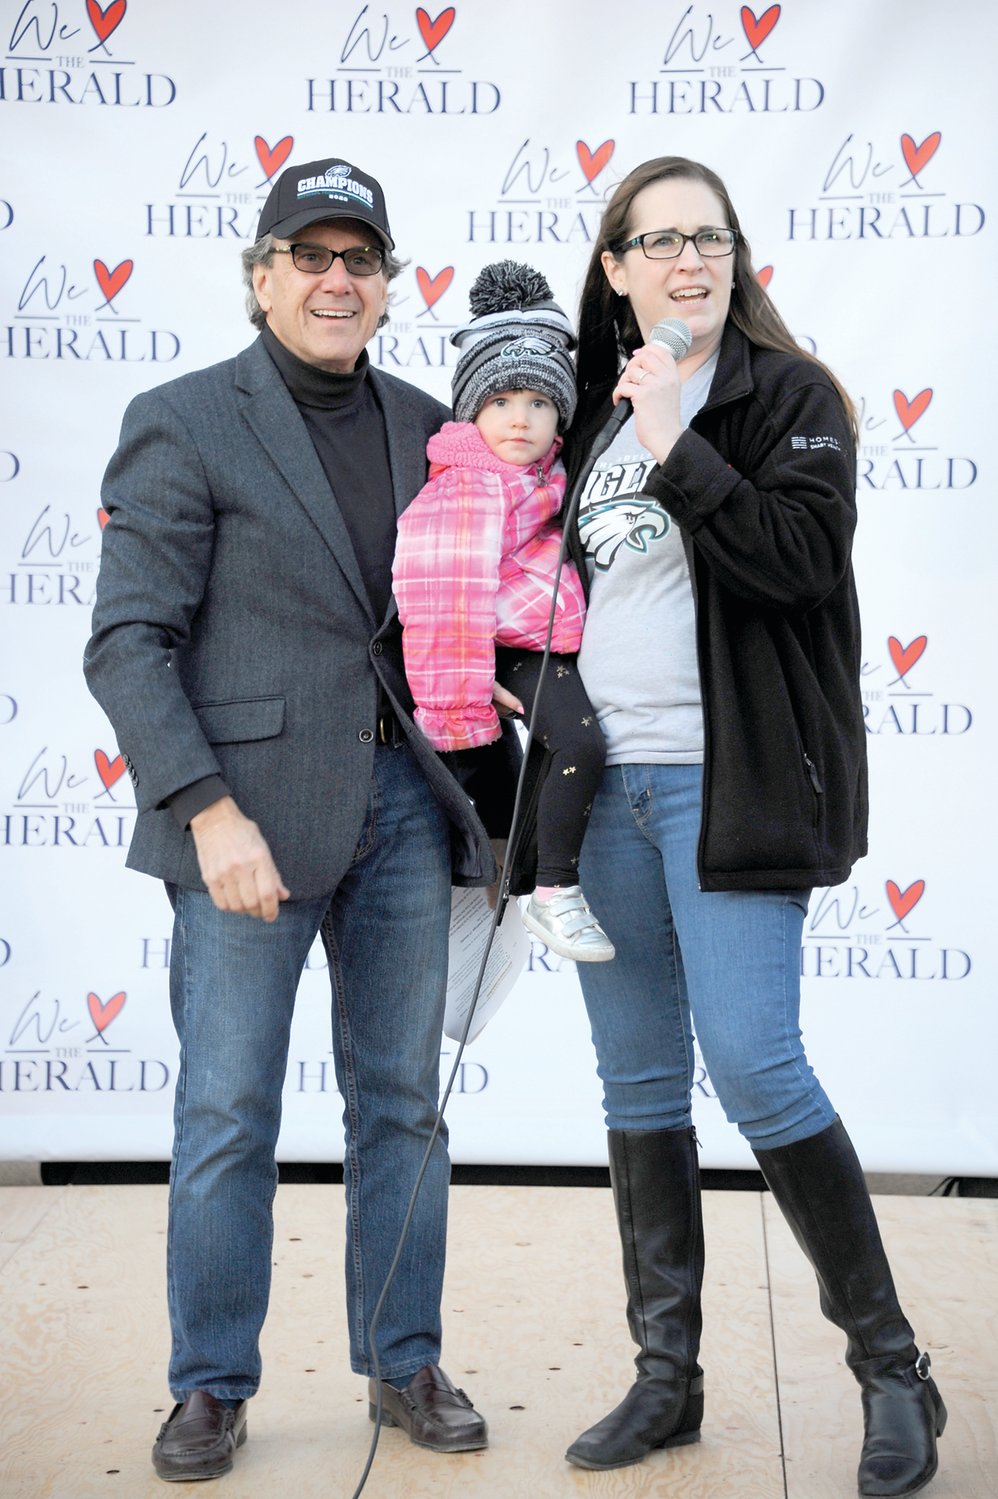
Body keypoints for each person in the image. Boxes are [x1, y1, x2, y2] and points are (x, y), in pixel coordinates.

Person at [83, 156, 511, 1482]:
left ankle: (405, 1356)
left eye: (361, 259)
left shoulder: (431, 421)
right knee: (227, 1111)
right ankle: (209, 1380)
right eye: (309, 256)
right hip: (245, 820)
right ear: (261, 275)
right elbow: (126, 643)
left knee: (403, 1108)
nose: (337, 280)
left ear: (388, 283)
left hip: (402, 809)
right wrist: (207, 809)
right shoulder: (182, 417)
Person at [548, 156, 946, 1497]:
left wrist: (674, 435)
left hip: (731, 787)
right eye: (654, 241)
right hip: (602, 801)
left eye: (706, 236)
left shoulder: (786, 396)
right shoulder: (585, 418)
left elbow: (790, 559)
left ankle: (891, 1369)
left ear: (734, 254)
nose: (686, 260)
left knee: (758, 1066)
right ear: (613, 270)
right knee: (639, 1086)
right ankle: (666, 1378)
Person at [393, 259, 613, 963]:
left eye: (539, 404)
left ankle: (523, 870)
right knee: (578, 743)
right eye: (502, 402)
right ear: (473, 410)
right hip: (509, 648)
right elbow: (437, 588)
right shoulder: (467, 487)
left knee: (553, 755)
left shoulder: (546, 475)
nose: (520, 420)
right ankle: (555, 889)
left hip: (551, 639)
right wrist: (470, 680)